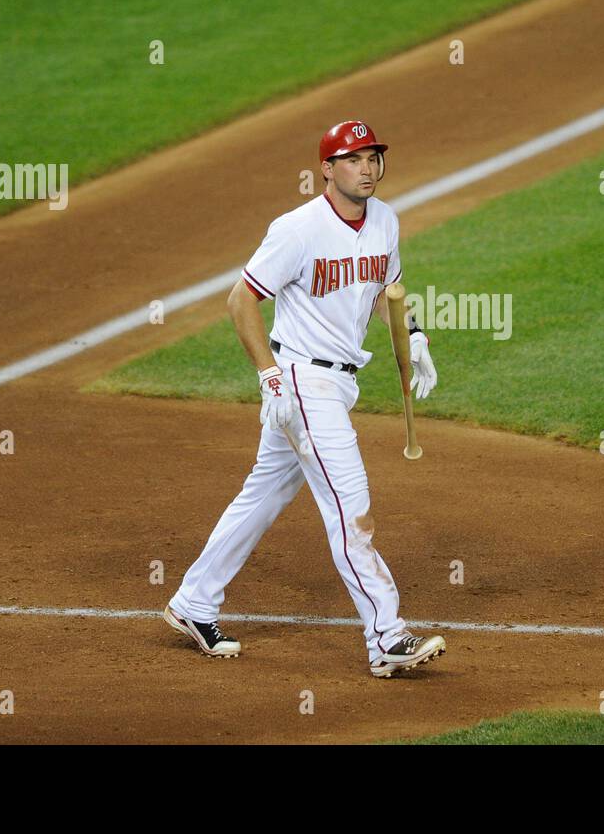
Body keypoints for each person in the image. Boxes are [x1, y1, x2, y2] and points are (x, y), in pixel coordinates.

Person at [163, 120, 444, 678]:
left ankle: (194, 601)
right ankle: (386, 636)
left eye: (373, 158)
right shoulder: (297, 230)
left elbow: (392, 289)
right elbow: (240, 300)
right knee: (350, 507)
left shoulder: (384, 219)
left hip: (338, 384)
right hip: (300, 382)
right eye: (354, 159)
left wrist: (413, 336)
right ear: (328, 168)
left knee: (263, 494)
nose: (367, 168)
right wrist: (268, 376)